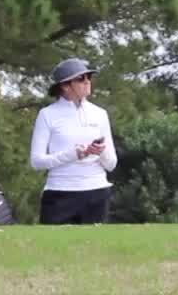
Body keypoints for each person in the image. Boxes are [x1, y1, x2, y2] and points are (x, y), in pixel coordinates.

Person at [30, 58, 116, 225]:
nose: (87, 82)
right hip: (60, 194)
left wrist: (100, 151)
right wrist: (74, 154)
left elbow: (111, 164)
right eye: (81, 79)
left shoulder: (100, 114)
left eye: (88, 77)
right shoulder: (47, 115)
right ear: (65, 86)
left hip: (97, 193)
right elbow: (37, 161)